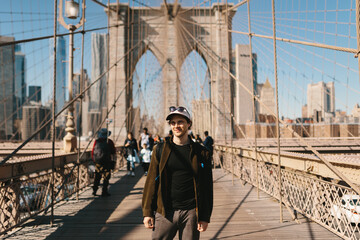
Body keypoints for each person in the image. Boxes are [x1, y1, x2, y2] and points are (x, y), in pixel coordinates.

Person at [142, 106, 213, 240]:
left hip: (191, 212)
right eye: (173, 123)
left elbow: (207, 186)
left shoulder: (201, 152)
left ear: (189, 124)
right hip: (165, 211)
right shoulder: (160, 150)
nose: (176, 126)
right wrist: (147, 212)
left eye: (180, 122)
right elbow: (151, 182)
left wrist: (204, 216)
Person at [92, 128, 116, 197]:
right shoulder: (109, 141)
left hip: (98, 162)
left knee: (97, 177)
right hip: (107, 162)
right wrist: (113, 162)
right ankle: (104, 192)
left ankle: (94, 190)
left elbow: (93, 152)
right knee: (106, 177)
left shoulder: (96, 141)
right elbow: (113, 152)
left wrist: (94, 161)